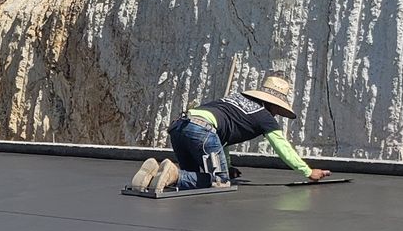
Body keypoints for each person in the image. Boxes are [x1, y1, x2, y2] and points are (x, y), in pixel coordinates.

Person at [132, 73, 331, 195]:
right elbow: (282, 147)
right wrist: (307, 172)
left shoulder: (235, 100)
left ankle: (153, 172)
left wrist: (228, 165)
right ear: (273, 103)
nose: (277, 112)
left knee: (197, 178)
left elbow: (223, 138)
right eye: (278, 108)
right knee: (220, 182)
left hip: (180, 127)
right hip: (202, 132)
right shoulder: (264, 117)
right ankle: (173, 173)